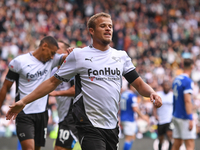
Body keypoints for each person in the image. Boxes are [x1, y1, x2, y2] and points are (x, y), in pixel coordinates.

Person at [6, 12, 162, 150]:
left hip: (112, 125)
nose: (108, 29)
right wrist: (24, 101)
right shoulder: (79, 55)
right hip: (88, 124)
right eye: (103, 26)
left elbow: (139, 84)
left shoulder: (121, 56)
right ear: (91, 31)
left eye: (110, 26)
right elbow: (52, 82)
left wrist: (152, 92)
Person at [0, 36, 71, 150]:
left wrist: (72, 52)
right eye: (52, 52)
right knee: (29, 148)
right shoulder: (19, 62)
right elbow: (5, 87)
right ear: (44, 46)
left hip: (42, 114)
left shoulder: (52, 60)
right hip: (24, 112)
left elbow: (68, 57)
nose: (53, 56)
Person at [49, 40, 81, 150]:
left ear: (65, 52)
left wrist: (56, 93)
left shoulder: (71, 68)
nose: (54, 49)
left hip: (72, 114)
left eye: (58, 47)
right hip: (62, 114)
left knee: (60, 148)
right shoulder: (53, 70)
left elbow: (75, 90)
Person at [171, 58, 196, 150]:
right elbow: (187, 100)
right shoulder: (188, 81)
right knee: (189, 145)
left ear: (182, 66)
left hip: (176, 115)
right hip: (184, 116)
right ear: (192, 66)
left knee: (177, 144)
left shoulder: (176, 79)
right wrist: (190, 117)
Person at [120, 83, 149, 150]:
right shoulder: (132, 95)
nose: (136, 88)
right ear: (131, 86)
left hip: (124, 118)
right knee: (129, 138)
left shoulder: (123, 94)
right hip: (129, 119)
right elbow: (135, 108)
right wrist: (143, 116)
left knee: (132, 136)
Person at [153, 80, 173, 150]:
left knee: (169, 135)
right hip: (161, 119)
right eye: (165, 86)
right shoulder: (159, 95)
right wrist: (155, 115)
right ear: (163, 86)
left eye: (168, 86)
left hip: (169, 119)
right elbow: (154, 107)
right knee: (161, 138)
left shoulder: (172, 96)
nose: (166, 87)